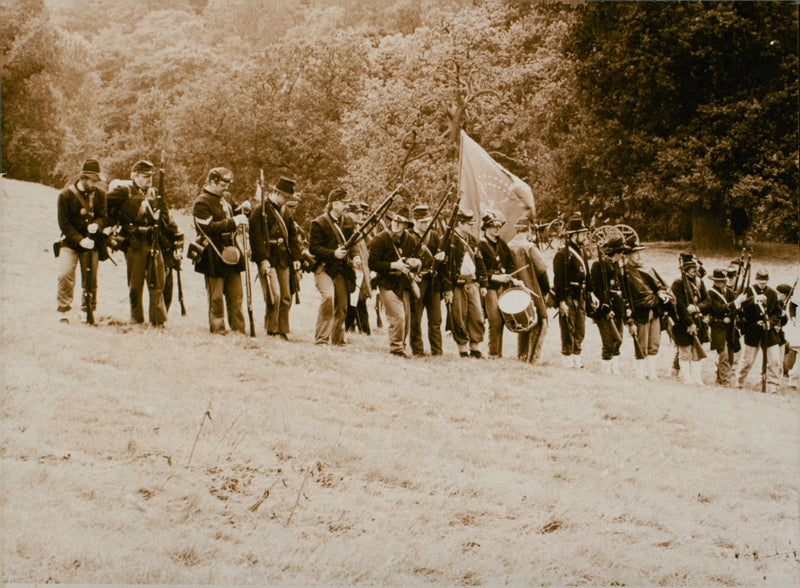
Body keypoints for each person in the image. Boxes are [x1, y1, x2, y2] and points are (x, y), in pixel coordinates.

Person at [106, 159, 183, 326]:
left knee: (157, 281)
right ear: (134, 176)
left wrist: (174, 236)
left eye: (150, 176)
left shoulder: (154, 193)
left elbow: (165, 217)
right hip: (134, 242)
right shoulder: (125, 191)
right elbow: (104, 204)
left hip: (153, 240)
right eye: (144, 176)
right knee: (135, 283)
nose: (149, 180)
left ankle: (158, 320)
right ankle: (136, 318)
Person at [191, 167, 249, 334]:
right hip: (213, 252)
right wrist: (233, 222)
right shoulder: (201, 202)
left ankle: (238, 329)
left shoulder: (226, 197)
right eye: (223, 184)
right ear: (212, 182)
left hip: (231, 250)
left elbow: (234, 212)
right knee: (216, 296)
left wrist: (244, 210)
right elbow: (207, 228)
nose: (226, 188)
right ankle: (218, 329)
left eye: (227, 184)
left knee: (236, 294)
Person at [56, 159, 108, 323]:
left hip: (92, 243)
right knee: (65, 275)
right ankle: (63, 310)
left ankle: (88, 310)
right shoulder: (65, 196)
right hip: (70, 242)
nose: (95, 184)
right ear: (83, 178)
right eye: (93, 180)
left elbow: (104, 217)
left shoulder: (100, 195)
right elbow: (64, 224)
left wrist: (97, 225)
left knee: (91, 280)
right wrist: (80, 240)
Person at [249, 176, 301, 340]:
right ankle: (272, 329)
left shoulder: (286, 212)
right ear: (276, 192)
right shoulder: (260, 211)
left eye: (288, 197)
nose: (286, 200)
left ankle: (283, 329)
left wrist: (296, 258)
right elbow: (256, 239)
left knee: (286, 296)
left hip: (283, 258)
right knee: (274, 295)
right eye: (285, 197)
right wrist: (262, 260)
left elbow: (292, 236)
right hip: (268, 257)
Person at [368, 207, 420, 357]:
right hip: (387, 282)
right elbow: (372, 263)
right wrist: (393, 265)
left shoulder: (410, 240)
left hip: (404, 283)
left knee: (406, 318)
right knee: (398, 317)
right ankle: (396, 348)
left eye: (400, 222)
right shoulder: (379, 239)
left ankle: (402, 346)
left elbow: (414, 257)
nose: (396, 224)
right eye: (395, 221)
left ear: (406, 225)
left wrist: (415, 263)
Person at [620, 237, 669, 380]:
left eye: (639, 252)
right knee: (641, 343)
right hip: (639, 312)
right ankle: (640, 371)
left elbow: (659, 286)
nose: (639, 255)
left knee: (654, 343)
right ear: (629, 255)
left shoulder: (647, 268)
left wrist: (660, 293)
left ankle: (651, 372)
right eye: (636, 253)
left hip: (654, 309)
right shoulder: (624, 273)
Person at [309, 188, 353, 346]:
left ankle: (337, 340)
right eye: (344, 203)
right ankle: (321, 339)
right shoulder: (319, 223)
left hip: (340, 269)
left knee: (342, 306)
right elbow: (314, 248)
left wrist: (354, 256)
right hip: (324, 268)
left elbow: (353, 244)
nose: (347, 206)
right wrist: (333, 253)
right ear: (334, 204)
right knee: (328, 298)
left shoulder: (348, 222)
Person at [552, 213, 597, 368]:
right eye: (582, 234)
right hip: (569, 296)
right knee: (568, 328)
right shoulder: (562, 255)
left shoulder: (582, 252)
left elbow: (587, 275)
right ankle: (567, 357)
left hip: (581, 295)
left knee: (580, 329)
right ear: (574, 235)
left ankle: (577, 356)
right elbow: (558, 281)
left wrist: (591, 293)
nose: (584, 237)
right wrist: (561, 301)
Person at [442, 209, 487, 358]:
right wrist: (448, 289)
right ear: (460, 223)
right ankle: (462, 348)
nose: (471, 226)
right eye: (469, 224)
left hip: (472, 282)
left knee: (477, 315)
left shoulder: (472, 240)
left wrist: (483, 282)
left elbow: (479, 261)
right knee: (459, 316)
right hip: (456, 284)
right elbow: (444, 267)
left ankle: (475, 347)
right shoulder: (449, 240)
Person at [507, 216, 550, 364]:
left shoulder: (508, 246)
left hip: (514, 292)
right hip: (532, 290)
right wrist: (546, 291)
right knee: (541, 322)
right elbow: (542, 270)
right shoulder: (529, 247)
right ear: (529, 230)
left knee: (523, 324)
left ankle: (522, 356)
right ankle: (533, 358)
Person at [735, 269, 783, 391]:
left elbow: (777, 313)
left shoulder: (772, 293)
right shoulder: (748, 290)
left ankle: (772, 385)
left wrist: (770, 323)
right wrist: (754, 300)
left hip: (768, 331)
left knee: (774, 360)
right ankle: (739, 381)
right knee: (747, 361)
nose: (762, 283)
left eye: (765, 280)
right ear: (756, 279)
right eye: (760, 280)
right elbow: (740, 307)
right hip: (752, 330)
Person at [479, 211, 518, 359]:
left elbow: (511, 263)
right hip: (489, 286)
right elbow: (480, 269)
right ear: (486, 228)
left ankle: (498, 352)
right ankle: (493, 353)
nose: (496, 229)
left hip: (503, 285)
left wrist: (510, 276)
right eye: (492, 227)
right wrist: (495, 277)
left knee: (502, 319)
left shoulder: (502, 244)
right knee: (494, 319)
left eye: (498, 226)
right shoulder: (480, 245)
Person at [409, 204, 445, 356]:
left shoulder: (434, 236)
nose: (426, 224)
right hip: (418, 280)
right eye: (422, 222)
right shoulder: (409, 236)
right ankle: (417, 350)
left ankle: (437, 351)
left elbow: (440, 257)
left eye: (427, 221)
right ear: (415, 221)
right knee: (415, 318)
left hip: (433, 281)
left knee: (436, 319)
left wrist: (441, 258)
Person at [699, 268, 745, 386]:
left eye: (723, 281)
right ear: (714, 281)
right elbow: (718, 308)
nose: (721, 283)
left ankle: (720, 379)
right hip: (718, 326)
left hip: (730, 327)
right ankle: (726, 381)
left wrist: (733, 311)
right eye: (718, 281)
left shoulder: (729, 292)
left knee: (730, 355)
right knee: (723, 355)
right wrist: (735, 303)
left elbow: (734, 310)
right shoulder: (710, 293)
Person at [670, 254, 711, 386]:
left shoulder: (699, 282)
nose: (695, 270)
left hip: (698, 320)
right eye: (692, 268)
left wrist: (697, 308)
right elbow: (680, 306)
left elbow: (707, 301)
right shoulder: (678, 284)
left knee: (696, 352)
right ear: (686, 269)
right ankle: (687, 378)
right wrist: (690, 323)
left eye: (695, 268)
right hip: (683, 322)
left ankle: (697, 378)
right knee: (685, 351)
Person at [589, 235, 626, 374]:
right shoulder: (598, 266)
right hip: (604, 309)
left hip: (617, 307)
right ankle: (606, 369)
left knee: (618, 340)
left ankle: (614, 368)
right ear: (615, 252)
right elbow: (597, 289)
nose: (622, 255)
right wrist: (606, 308)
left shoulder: (616, 266)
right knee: (609, 340)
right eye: (621, 252)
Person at [343, 202, 373, 335]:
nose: (360, 215)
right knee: (355, 299)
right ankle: (360, 328)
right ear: (349, 213)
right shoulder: (347, 229)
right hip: (353, 268)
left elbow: (370, 243)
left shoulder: (359, 228)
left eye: (360, 213)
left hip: (363, 268)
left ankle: (357, 328)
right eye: (356, 213)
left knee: (359, 299)